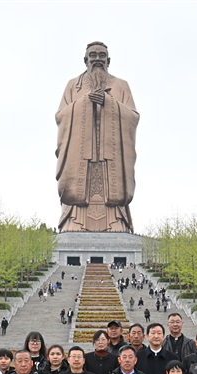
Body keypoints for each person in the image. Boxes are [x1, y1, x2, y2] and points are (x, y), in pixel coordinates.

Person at [56, 41, 139, 233]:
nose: (97, 59)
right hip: (81, 157)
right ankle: (75, 222)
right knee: (79, 192)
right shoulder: (73, 86)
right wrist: (85, 102)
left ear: (108, 60)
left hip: (112, 159)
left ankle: (116, 222)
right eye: (93, 55)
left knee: (112, 193)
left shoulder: (121, 85)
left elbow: (133, 117)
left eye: (102, 56)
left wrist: (108, 103)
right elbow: (61, 116)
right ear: (85, 60)